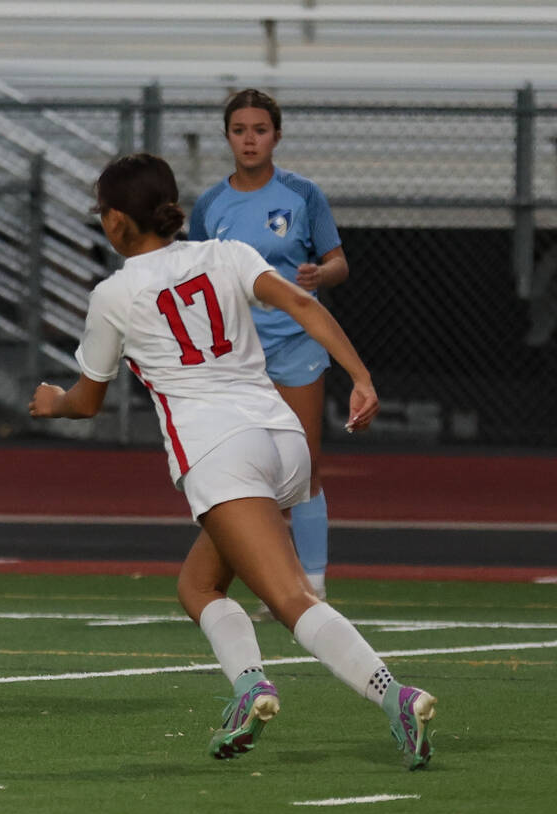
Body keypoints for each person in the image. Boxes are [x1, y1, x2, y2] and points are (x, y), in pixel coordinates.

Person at [30, 153, 436, 769]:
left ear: (115, 221)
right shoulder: (225, 252)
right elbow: (301, 304)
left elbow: (87, 402)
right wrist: (360, 376)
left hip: (220, 452)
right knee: (197, 586)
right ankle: (249, 687)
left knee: (292, 599)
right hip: (282, 438)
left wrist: (51, 403)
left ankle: (395, 696)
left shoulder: (113, 293)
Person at [188, 88, 347, 612]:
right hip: (236, 357)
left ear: (277, 135)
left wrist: (320, 273)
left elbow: (338, 262)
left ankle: (314, 585)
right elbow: (192, 275)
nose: (250, 139)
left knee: (304, 467)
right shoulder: (211, 204)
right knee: (243, 470)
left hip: (296, 347)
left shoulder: (303, 194)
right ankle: (269, 580)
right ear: (227, 137)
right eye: (240, 130)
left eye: (260, 129)